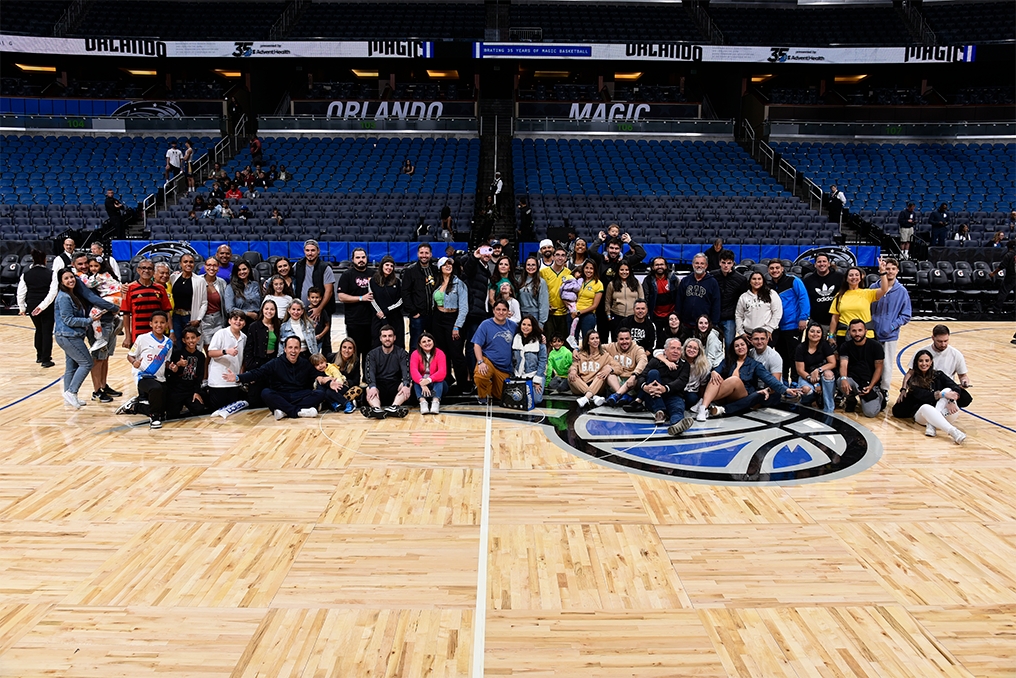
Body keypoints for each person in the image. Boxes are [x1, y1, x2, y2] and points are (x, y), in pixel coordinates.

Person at [227, 337, 336, 420]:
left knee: (320, 393)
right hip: (281, 395)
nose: (293, 351)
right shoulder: (275, 363)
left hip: (299, 394)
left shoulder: (305, 363)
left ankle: (284, 411)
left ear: (299, 350)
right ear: (285, 349)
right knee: (266, 393)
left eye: (296, 348)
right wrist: (238, 377)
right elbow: (258, 373)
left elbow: (318, 376)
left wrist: (328, 381)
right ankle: (297, 412)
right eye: (290, 347)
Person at [696, 335, 799, 421]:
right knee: (716, 377)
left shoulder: (755, 364)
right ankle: (703, 408)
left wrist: (786, 389)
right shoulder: (728, 361)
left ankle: (704, 401)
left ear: (747, 346)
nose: (740, 347)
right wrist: (714, 372)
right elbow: (717, 370)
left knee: (734, 380)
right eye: (736, 346)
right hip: (726, 395)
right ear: (733, 349)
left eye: (742, 345)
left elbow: (769, 379)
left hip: (742, 394)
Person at [55, 268, 117, 409]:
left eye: (71, 277)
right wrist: (89, 320)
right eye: (66, 278)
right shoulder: (64, 297)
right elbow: (69, 320)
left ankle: (69, 396)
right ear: (60, 281)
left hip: (69, 336)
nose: (70, 280)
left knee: (71, 366)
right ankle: (72, 391)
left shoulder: (71, 294)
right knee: (87, 363)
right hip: (68, 336)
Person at [892, 349, 970, 444]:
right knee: (926, 407)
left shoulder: (939, 374)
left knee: (948, 390)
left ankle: (932, 424)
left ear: (931, 362)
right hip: (923, 416)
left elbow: (954, 386)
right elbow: (924, 396)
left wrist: (951, 401)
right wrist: (941, 394)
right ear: (916, 363)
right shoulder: (913, 381)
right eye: (921, 361)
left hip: (945, 412)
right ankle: (953, 432)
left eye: (927, 361)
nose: (924, 363)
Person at [635, 337, 694, 436]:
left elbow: (681, 381)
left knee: (677, 408)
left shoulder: (685, 365)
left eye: (678, 349)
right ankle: (660, 411)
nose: (676, 351)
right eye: (673, 348)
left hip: (673, 395)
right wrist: (645, 387)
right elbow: (641, 377)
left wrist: (665, 388)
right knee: (653, 373)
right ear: (665, 351)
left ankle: (676, 424)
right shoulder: (655, 361)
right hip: (654, 397)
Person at [869, 257, 912, 392]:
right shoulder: (873, 288)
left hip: (890, 335)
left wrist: (892, 326)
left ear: (897, 271)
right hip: (872, 333)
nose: (890, 271)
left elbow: (906, 314)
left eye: (893, 269)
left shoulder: (902, 291)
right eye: (887, 268)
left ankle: (884, 390)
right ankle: (871, 388)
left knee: (886, 365)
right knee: (871, 363)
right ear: (882, 270)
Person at [126, 310, 173, 428]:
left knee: (166, 409)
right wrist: (134, 362)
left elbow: (166, 361)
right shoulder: (142, 338)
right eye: (156, 322)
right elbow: (130, 355)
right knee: (155, 388)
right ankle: (154, 418)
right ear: (151, 324)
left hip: (160, 378)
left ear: (166, 324)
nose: (159, 325)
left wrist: (172, 366)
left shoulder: (169, 343)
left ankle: (136, 407)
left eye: (162, 322)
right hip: (143, 376)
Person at [768, 259, 810, 383]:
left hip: (793, 325)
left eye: (777, 268)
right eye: (772, 268)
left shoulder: (793, 281)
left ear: (782, 269)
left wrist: (803, 318)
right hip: (777, 326)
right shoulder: (769, 285)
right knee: (781, 355)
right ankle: (785, 379)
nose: (774, 270)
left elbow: (803, 298)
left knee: (794, 355)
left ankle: (796, 380)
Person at [431, 256, 468, 390]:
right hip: (438, 318)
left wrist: (457, 326)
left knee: (456, 353)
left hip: (453, 318)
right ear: (440, 268)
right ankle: (446, 381)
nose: (448, 266)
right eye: (445, 264)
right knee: (441, 352)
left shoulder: (459, 284)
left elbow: (464, 307)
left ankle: (463, 384)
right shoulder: (436, 282)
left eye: (450, 264)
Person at [337, 247, 374, 377]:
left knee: (369, 353)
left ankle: (368, 379)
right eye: (358, 257)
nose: (361, 260)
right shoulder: (347, 275)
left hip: (372, 321)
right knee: (354, 353)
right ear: (353, 259)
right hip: (354, 321)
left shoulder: (373, 273)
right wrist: (361, 298)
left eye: (363, 257)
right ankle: (355, 380)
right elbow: (341, 296)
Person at [829, 261, 889, 340]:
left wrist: (882, 272)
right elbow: (835, 318)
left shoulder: (868, 293)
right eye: (851, 275)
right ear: (846, 278)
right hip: (844, 335)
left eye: (857, 275)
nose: (854, 277)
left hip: (866, 335)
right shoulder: (839, 295)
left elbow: (884, 289)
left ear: (861, 278)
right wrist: (831, 336)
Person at [472, 299, 518, 404]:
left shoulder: (513, 326)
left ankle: (491, 389)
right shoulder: (485, 324)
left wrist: (541, 336)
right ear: (493, 310)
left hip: (505, 367)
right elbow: (477, 345)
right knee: (481, 375)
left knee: (501, 396)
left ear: (508, 312)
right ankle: (482, 397)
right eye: (498, 309)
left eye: (504, 310)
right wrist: (480, 362)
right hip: (489, 360)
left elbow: (527, 333)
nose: (501, 312)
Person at [838, 318, 886, 418]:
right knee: (840, 381)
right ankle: (851, 400)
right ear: (849, 332)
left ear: (865, 331)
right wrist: (843, 379)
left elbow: (879, 369)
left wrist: (871, 385)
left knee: (870, 413)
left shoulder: (876, 346)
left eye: (860, 330)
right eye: (854, 331)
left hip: (869, 383)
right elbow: (843, 364)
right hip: (854, 380)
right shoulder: (845, 346)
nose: (857, 333)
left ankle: (879, 396)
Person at [17, 249, 57, 367]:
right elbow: (53, 292)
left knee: (39, 329)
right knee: (46, 331)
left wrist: (22, 308)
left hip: (32, 305)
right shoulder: (51, 273)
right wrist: (43, 306)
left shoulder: (26, 274)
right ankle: (46, 359)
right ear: (45, 260)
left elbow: (20, 292)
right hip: (47, 306)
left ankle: (39, 356)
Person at [120, 259, 172, 349]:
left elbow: (167, 312)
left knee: (158, 360)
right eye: (143, 268)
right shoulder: (129, 288)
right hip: (138, 333)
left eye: (149, 268)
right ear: (138, 270)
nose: (146, 271)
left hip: (157, 332)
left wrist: (172, 331)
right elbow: (126, 314)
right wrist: (128, 336)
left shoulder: (160, 288)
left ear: (153, 271)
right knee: (138, 361)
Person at [206, 310, 249, 415]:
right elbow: (210, 352)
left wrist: (240, 376)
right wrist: (226, 351)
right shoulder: (220, 333)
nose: (238, 322)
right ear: (229, 321)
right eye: (235, 319)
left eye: (241, 320)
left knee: (232, 415)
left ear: (244, 323)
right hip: (218, 381)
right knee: (217, 414)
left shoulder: (244, 338)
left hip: (233, 382)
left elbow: (243, 359)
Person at [364, 325, 412, 418]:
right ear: (380, 338)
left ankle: (394, 407)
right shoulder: (372, 354)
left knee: (408, 384)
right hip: (379, 384)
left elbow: (406, 371)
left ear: (394, 338)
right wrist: (373, 386)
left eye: (390, 336)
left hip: (395, 384)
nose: (387, 339)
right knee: (369, 388)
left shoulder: (402, 353)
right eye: (384, 336)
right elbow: (370, 373)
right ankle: (376, 409)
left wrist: (406, 385)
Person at [907, 324, 971, 388]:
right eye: (939, 341)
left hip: (946, 390)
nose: (943, 344)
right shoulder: (921, 352)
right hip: (924, 389)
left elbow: (963, 375)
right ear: (933, 338)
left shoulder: (956, 354)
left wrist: (964, 381)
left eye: (946, 341)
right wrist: (903, 389)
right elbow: (910, 373)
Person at [164, 326, 207, 419]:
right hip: (176, 390)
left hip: (190, 390)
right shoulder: (177, 353)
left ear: (198, 338)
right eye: (187, 338)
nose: (191, 341)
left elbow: (199, 376)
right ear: (183, 340)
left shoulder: (201, 356)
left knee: (199, 409)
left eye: (193, 337)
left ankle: (186, 405)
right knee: (172, 414)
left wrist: (196, 392)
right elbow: (170, 372)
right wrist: (178, 365)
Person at [82, 255, 122, 355]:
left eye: (96, 266)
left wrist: (79, 274)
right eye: (91, 266)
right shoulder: (105, 274)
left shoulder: (100, 276)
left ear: (101, 266)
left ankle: (99, 338)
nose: (93, 268)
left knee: (94, 315)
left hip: (112, 297)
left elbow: (89, 284)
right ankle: (117, 318)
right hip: (115, 297)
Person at [795, 321, 837, 413]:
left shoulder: (825, 345)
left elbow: (833, 363)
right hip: (806, 376)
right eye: (812, 331)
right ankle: (808, 400)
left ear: (822, 334)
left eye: (818, 332)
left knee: (829, 374)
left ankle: (828, 408)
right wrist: (815, 383)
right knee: (806, 390)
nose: (815, 334)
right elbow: (800, 370)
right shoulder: (801, 347)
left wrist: (818, 370)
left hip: (821, 375)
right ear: (807, 333)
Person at [403, 243, 437, 353]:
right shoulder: (410, 271)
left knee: (433, 343)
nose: (424, 255)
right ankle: (413, 368)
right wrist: (413, 312)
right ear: (418, 254)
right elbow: (405, 293)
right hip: (418, 315)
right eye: (421, 253)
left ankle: (431, 368)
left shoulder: (435, 270)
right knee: (415, 343)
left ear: (431, 254)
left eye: (426, 253)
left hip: (433, 315)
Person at [676, 253, 721, 335]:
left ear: (706, 265)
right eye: (697, 263)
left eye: (702, 263)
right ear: (693, 264)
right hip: (686, 325)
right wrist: (679, 319)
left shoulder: (712, 282)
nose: (699, 266)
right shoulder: (685, 281)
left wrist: (713, 324)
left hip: (704, 326)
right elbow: (679, 301)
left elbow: (716, 304)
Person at [803, 253, 844, 339]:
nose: (822, 264)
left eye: (824, 261)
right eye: (819, 262)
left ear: (829, 264)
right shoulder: (808, 280)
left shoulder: (839, 277)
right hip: (816, 323)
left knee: (834, 350)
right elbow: (804, 300)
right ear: (815, 265)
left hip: (836, 322)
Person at [603, 327, 647, 406]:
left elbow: (643, 361)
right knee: (609, 374)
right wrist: (576, 349)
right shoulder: (611, 346)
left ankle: (617, 396)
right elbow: (594, 346)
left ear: (631, 339)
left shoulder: (637, 349)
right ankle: (622, 396)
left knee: (638, 377)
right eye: (621, 339)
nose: (624, 342)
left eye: (627, 339)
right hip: (617, 380)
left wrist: (634, 375)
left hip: (631, 381)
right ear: (617, 339)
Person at [568, 330, 613, 408]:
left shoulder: (605, 355)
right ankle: (593, 396)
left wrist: (610, 368)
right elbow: (574, 365)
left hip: (596, 384)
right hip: (580, 385)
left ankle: (585, 398)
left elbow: (618, 367)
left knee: (601, 375)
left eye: (597, 338)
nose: (595, 341)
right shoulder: (580, 354)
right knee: (571, 376)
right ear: (588, 342)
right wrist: (573, 370)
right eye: (592, 339)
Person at [293, 240, 335, 323]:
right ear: (304, 251)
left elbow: (329, 291)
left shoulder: (325, 268)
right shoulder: (297, 266)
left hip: (321, 311)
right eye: (307, 250)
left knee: (321, 335)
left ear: (318, 251)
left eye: (313, 250)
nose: (310, 253)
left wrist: (319, 309)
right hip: (301, 310)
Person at [713, 250, 748, 348]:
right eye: (723, 262)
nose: (726, 266)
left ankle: (729, 363)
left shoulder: (741, 279)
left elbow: (742, 300)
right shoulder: (712, 276)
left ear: (733, 263)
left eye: (729, 263)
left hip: (730, 317)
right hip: (715, 316)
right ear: (719, 262)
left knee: (730, 344)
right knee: (715, 345)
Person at [511, 315, 548, 406]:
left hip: (534, 374)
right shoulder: (516, 339)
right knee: (518, 399)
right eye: (524, 324)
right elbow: (513, 359)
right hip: (519, 375)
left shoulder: (540, 341)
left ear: (533, 327)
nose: (526, 327)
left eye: (529, 325)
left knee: (535, 401)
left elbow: (543, 361)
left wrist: (537, 380)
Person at [369, 255, 404, 349]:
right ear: (382, 266)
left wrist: (385, 312)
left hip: (395, 318)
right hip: (378, 318)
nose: (389, 268)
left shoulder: (397, 282)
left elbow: (400, 300)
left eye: (391, 266)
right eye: (387, 265)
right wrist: (380, 313)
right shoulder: (372, 281)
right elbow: (371, 298)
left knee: (397, 345)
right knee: (377, 345)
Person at [735, 271, 782, 339]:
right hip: (749, 334)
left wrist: (770, 329)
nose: (756, 281)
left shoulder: (771, 294)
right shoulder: (743, 297)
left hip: (767, 333)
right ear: (750, 281)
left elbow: (777, 312)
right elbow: (738, 315)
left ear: (763, 281)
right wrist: (741, 332)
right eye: (754, 279)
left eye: (759, 279)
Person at [642, 257, 679, 341]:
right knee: (657, 338)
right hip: (655, 315)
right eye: (657, 265)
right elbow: (646, 298)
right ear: (652, 267)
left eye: (662, 264)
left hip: (671, 314)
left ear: (666, 266)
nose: (659, 267)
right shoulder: (647, 280)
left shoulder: (673, 279)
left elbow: (678, 296)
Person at [410, 332, 447, 415]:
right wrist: (422, 383)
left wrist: (429, 380)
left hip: (437, 385)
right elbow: (414, 371)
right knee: (416, 382)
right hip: (421, 387)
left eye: (429, 340)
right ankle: (423, 402)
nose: (427, 343)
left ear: (433, 341)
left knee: (439, 379)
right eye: (424, 342)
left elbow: (442, 372)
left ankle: (435, 401)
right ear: (420, 344)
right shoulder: (415, 354)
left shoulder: (440, 353)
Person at [540, 247, 572, 342]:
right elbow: (539, 292)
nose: (560, 258)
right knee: (549, 341)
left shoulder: (568, 273)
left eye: (563, 255)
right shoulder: (543, 272)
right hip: (548, 313)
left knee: (562, 341)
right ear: (553, 257)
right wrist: (546, 305)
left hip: (563, 313)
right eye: (557, 255)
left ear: (566, 258)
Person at [570, 259, 603, 346]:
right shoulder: (578, 280)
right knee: (573, 340)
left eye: (591, 268)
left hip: (588, 316)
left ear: (595, 270)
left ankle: (587, 358)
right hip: (574, 314)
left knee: (587, 341)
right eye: (586, 268)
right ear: (583, 269)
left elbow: (595, 305)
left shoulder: (598, 284)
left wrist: (580, 312)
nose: (589, 270)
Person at [244, 299, 282, 373]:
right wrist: (250, 366)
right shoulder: (254, 326)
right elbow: (248, 348)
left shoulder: (278, 325)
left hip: (273, 361)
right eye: (266, 309)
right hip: (257, 363)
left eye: (272, 309)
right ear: (262, 310)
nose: (269, 311)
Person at [517, 255, 549, 329]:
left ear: (537, 266)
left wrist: (541, 322)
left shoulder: (541, 282)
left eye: (533, 265)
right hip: (521, 314)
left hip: (535, 315)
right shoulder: (520, 280)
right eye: (528, 265)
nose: (530, 267)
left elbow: (544, 303)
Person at [224, 260, 261, 325]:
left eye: (244, 269)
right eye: (239, 270)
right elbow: (230, 309)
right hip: (239, 321)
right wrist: (248, 313)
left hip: (257, 320)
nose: (242, 272)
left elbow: (261, 302)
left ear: (249, 270)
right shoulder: (230, 287)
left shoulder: (255, 284)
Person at [680, 338, 711, 415]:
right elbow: (657, 352)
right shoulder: (678, 358)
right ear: (685, 348)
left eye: (695, 348)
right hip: (677, 388)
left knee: (692, 399)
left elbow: (702, 385)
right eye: (689, 347)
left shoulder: (704, 366)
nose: (691, 350)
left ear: (699, 351)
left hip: (691, 390)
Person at [989, 240, 1015, 316]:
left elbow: (1002, 266)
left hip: (1011, 276)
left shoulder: (1009, 255)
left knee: (1003, 292)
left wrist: (993, 273)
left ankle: (996, 309)